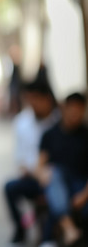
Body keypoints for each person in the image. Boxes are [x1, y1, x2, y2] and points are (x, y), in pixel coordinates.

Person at [4, 80, 59, 243]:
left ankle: (48, 237)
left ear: (47, 99)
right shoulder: (22, 122)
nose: (33, 104)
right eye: (29, 99)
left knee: (56, 189)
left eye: (36, 99)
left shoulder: (59, 121)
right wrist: (35, 173)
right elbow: (20, 160)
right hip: (32, 176)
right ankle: (21, 228)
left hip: (55, 178)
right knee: (9, 187)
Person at [36, 93, 88, 246]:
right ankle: (68, 228)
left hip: (80, 184)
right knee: (55, 173)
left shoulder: (85, 135)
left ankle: (54, 237)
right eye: (72, 109)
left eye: (79, 110)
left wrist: (84, 196)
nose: (75, 114)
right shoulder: (50, 134)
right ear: (64, 108)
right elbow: (40, 164)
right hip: (56, 181)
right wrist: (41, 174)